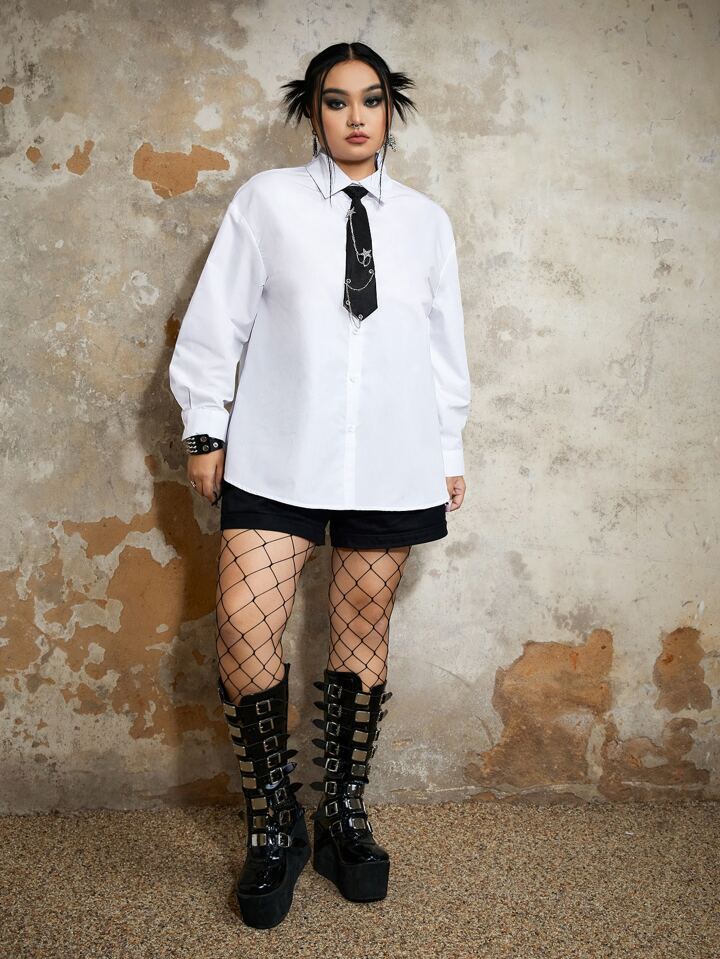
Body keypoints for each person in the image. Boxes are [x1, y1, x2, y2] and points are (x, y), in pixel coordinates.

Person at [168, 41, 471, 929]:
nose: (354, 116)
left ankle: (342, 815)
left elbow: (442, 346)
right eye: (335, 101)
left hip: (390, 454)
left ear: (390, 111)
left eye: (371, 99)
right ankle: (275, 821)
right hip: (280, 450)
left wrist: (447, 446)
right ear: (312, 113)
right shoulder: (266, 201)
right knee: (243, 623)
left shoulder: (426, 222)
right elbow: (217, 319)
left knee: (363, 626)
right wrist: (204, 425)